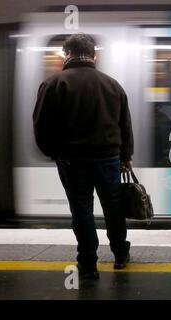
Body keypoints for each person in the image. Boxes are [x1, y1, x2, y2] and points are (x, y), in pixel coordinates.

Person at [33, 33, 134, 279]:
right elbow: (124, 125)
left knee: (82, 211)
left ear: (66, 54)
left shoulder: (53, 84)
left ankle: (88, 264)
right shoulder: (112, 84)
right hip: (109, 158)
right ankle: (120, 254)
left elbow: (40, 125)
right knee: (113, 207)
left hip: (71, 160)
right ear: (94, 55)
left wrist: (54, 153)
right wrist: (125, 155)